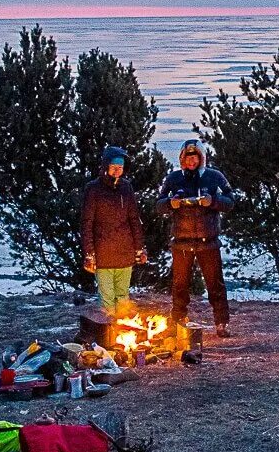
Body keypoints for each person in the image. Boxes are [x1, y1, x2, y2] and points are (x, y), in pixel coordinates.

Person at [158, 138, 236, 336]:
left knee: (215, 284)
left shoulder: (214, 176)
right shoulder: (174, 179)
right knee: (179, 286)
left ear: (201, 158)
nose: (191, 161)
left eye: (195, 157)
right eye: (188, 158)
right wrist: (170, 204)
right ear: (182, 159)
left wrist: (213, 201)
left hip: (208, 242)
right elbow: (158, 204)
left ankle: (221, 323)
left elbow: (230, 201)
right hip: (181, 242)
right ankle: (178, 321)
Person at [80, 145, 148, 318]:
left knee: (123, 297)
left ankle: (122, 331)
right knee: (107, 298)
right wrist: (89, 252)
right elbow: (87, 222)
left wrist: (139, 248)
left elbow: (134, 220)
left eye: (121, 167)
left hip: (125, 251)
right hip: (103, 253)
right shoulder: (93, 188)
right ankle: (107, 332)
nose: (117, 170)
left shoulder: (126, 188)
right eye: (114, 167)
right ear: (105, 166)